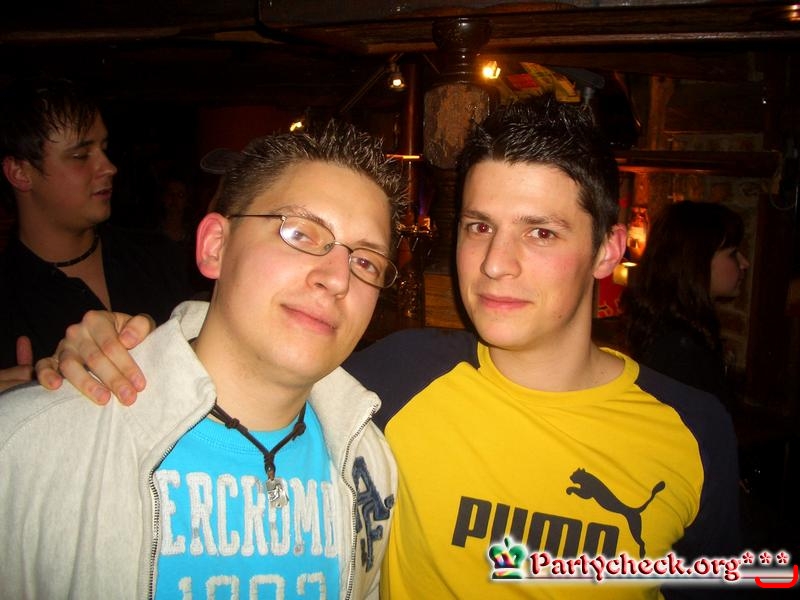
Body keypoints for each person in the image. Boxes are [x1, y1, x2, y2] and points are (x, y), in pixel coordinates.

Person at [34, 96, 741, 598]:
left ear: (608, 250)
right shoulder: (395, 379)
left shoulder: (693, 428)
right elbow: (251, 359)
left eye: (541, 232)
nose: (496, 264)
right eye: (478, 227)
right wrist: (112, 351)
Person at [0, 121, 402, 598]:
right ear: (215, 247)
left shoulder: (370, 467)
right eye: (300, 233)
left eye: (365, 262)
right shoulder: (27, 449)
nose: (338, 278)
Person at [0, 75, 193, 369]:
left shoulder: (158, 257)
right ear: (20, 173)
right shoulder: (8, 299)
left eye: (104, 148)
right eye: (80, 155)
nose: (109, 167)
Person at [620, 200, 750, 409]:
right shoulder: (678, 351)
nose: (745, 263)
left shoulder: (679, 328)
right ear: (698, 260)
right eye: (733, 253)